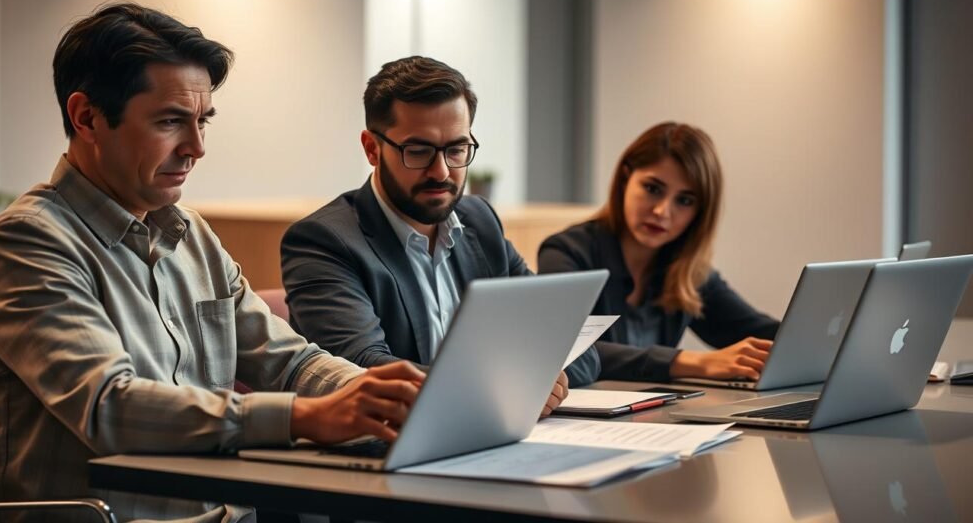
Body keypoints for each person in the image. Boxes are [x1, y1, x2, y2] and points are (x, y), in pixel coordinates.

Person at [0, 2, 425, 523]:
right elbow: (109, 408)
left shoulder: (192, 235)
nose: (197, 147)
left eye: (203, 120)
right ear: (87, 117)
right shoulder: (28, 242)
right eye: (170, 122)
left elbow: (288, 362)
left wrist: (399, 398)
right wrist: (306, 417)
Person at [280, 56, 599, 410]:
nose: (441, 171)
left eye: (457, 149)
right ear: (372, 149)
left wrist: (538, 377)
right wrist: (505, 386)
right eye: (418, 151)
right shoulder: (323, 241)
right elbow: (365, 369)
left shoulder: (479, 221)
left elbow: (573, 347)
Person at [538, 122, 779, 382]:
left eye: (684, 200)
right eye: (653, 189)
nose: (662, 211)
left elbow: (759, 332)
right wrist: (692, 361)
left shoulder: (688, 272)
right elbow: (566, 349)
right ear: (624, 179)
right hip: (586, 421)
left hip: (660, 418)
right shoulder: (566, 253)